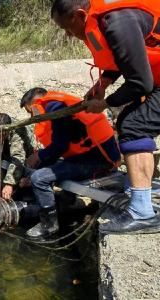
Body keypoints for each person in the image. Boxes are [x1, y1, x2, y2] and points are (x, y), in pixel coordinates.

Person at [51, 0, 160, 234]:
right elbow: (124, 58)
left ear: (80, 15)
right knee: (130, 123)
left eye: (67, 28)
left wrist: (105, 103)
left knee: (134, 125)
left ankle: (143, 214)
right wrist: (103, 84)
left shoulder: (118, 22)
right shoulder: (107, 21)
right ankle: (138, 191)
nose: (69, 35)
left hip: (153, 80)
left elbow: (141, 82)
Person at [20, 88, 120, 238]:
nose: (33, 116)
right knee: (45, 168)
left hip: (98, 160)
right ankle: (67, 200)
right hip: (92, 156)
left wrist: (39, 157)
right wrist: (42, 161)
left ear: (36, 103)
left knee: (39, 178)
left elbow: (61, 146)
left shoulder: (56, 108)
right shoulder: (58, 104)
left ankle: (49, 224)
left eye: (31, 111)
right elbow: (60, 146)